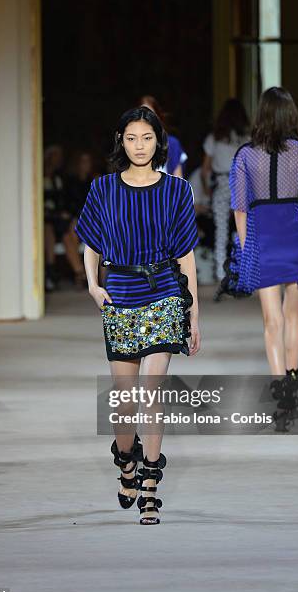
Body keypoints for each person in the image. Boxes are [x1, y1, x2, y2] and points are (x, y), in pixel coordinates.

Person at [75, 106, 200, 525]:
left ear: (158, 141)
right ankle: (125, 462)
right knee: (124, 401)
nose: (140, 146)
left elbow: (186, 256)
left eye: (147, 138)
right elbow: (91, 239)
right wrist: (93, 285)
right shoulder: (104, 189)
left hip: (164, 291)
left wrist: (193, 315)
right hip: (121, 295)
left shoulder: (177, 191)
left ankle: (149, 487)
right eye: (132, 138)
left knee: (152, 392)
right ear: (121, 141)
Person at [218, 87, 298, 406]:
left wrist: (245, 248)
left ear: (262, 115)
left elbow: (239, 208)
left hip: (263, 238)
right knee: (293, 316)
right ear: (291, 115)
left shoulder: (245, 155)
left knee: (272, 320)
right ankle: (293, 380)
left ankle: (279, 388)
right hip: (296, 235)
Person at [201, 98, 250, 282]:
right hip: (242, 183)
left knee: (220, 230)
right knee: (242, 229)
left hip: (222, 183)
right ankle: (242, 270)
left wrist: (207, 190)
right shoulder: (247, 138)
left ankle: (222, 272)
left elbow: (205, 168)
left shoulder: (214, 137)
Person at [43, 145, 87, 291]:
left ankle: (79, 273)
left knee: (69, 233)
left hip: (63, 219)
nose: (57, 161)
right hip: (50, 219)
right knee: (61, 230)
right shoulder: (41, 177)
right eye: (54, 157)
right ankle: (80, 272)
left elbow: (63, 202)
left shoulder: (58, 179)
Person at [139, 95, 188, 176]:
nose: (145, 119)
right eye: (141, 114)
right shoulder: (130, 145)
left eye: (150, 114)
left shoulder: (172, 144)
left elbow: (178, 181)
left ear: (158, 117)